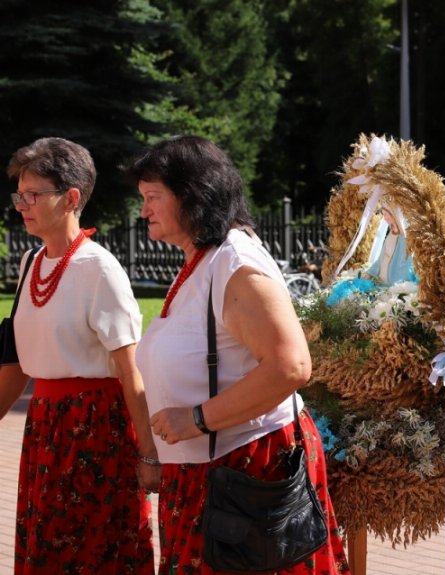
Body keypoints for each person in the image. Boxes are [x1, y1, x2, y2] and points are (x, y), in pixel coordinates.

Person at [127, 135, 350, 574]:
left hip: (247, 471)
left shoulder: (236, 262)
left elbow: (291, 366)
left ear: (193, 196)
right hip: (211, 472)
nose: (143, 211)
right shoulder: (204, 258)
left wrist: (195, 418)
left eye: (153, 197)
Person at [0, 137, 156, 573]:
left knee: (93, 552)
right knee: (48, 550)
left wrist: (147, 455)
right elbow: (17, 360)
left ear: (71, 198)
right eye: (19, 195)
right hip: (45, 427)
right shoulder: (31, 263)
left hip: (94, 433)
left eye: (33, 195)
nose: (22, 205)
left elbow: (131, 372)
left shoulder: (99, 268)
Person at [365, 206, 416, 284]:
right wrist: (370, 273)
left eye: (386, 214)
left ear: (394, 215)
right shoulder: (390, 234)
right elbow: (381, 258)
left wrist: (396, 283)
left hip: (394, 281)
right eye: (383, 214)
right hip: (381, 278)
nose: (384, 218)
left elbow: (406, 266)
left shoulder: (404, 238)